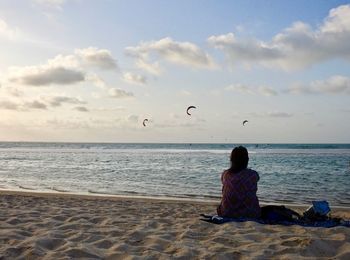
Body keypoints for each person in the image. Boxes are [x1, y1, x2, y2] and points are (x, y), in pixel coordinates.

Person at [217, 146, 261, 218]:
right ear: (247, 160)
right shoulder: (253, 174)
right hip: (250, 213)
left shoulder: (225, 174)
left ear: (231, 160)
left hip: (226, 212)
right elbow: (256, 179)